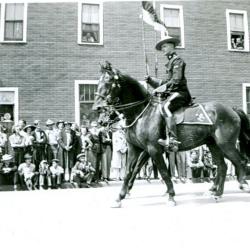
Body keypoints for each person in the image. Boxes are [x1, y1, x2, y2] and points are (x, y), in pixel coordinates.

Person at [145, 36, 192, 152]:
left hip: (180, 93)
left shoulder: (177, 61)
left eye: (165, 46)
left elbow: (176, 81)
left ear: (172, 46)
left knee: (164, 107)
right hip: (172, 94)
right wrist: (151, 81)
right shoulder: (171, 62)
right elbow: (166, 82)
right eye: (162, 47)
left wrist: (160, 88)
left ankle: (173, 139)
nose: (163, 49)